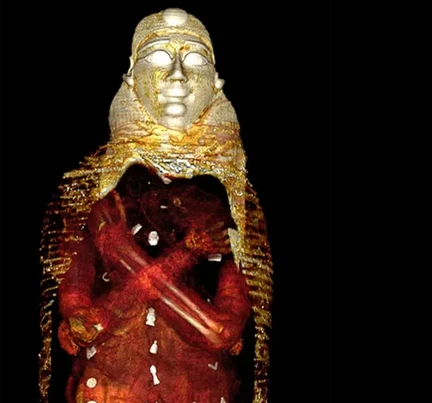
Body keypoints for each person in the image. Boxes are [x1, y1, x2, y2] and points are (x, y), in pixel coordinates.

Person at [38, 8, 273, 403]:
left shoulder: (231, 199)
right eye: (160, 57)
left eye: (194, 60)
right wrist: (185, 253)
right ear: (131, 76)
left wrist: (123, 251)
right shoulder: (88, 190)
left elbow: (220, 331)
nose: (177, 76)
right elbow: (83, 322)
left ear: (216, 82)